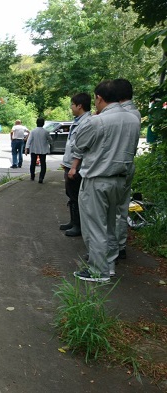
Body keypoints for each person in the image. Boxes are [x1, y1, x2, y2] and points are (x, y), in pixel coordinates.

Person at [70, 80, 141, 282]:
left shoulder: (97, 121)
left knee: (94, 226)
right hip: (120, 179)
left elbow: (80, 143)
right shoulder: (133, 119)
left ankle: (98, 270)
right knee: (111, 223)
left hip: (97, 178)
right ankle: (109, 265)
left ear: (99, 98)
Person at [114, 78, 142, 260]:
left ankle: (114, 247)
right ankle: (120, 245)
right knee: (122, 207)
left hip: (117, 167)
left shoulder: (123, 114)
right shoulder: (136, 113)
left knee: (113, 210)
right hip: (128, 164)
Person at [60, 93, 92, 237]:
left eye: (72, 104)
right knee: (71, 194)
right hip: (70, 164)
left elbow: (80, 147)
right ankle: (73, 222)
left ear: (79, 106)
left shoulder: (86, 122)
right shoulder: (77, 121)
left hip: (77, 166)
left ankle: (78, 225)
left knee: (76, 195)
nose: (71, 107)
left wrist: (73, 166)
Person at [24, 118, 52, 183]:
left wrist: (26, 148)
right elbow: (50, 140)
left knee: (33, 163)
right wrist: (49, 143)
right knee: (43, 163)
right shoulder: (46, 131)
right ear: (43, 123)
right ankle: (41, 177)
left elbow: (29, 140)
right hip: (43, 150)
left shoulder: (33, 131)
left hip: (34, 149)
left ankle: (32, 176)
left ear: (36, 123)